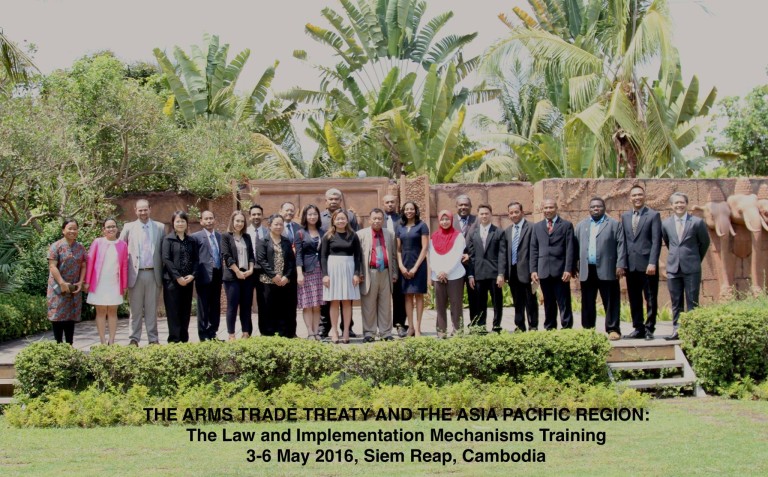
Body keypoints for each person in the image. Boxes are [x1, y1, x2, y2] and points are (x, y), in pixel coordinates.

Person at [574, 197, 626, 340]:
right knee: (587, 302)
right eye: (593, 207)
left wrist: (620, 265)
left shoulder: (614, 224)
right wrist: (574, 266)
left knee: (611, 300)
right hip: (587, 269)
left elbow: (621, 245)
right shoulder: (581, 226)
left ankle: (613, 329)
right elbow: (575, 247)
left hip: (607, 268)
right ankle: (588, 330)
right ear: (589, 209)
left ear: (604, 208)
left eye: (599, 206)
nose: (596, 209)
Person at [662, 192, 710, 340]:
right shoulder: (666, 223)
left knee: (692, 301)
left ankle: (692, 332)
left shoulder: (696, 222)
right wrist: (677, 257)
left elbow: (704, 243)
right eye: (676, 203)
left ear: (686, 204)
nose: (679, 205)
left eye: (682, 202)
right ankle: (677, 330)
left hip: (691, 268)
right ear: (671, 206)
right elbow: (669, 243)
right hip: (673, 268)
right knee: (676, 302)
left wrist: (694, 259)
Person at [120, 199, 164, 346]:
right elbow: (120, 249)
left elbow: (164, 251)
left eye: (145, 209)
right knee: (135, 309)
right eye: (140, 210)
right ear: (135, 210)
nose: (143, 212)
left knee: (152, 308)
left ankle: (153, 339)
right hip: (135, 274)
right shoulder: (128, 227)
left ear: (150, 209)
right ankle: (134, 338)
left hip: (153, 273)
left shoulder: (159, 227)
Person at [621, 185, 662, 340]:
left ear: (644, 196)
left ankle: (649, 328)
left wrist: (652, 262)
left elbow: (656, 241)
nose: (637, 197)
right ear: (630, 198)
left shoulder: (653, 215)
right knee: (634, 298)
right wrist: (622, 264)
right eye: (634, 195)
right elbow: (624, 241)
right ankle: (638, 328)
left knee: (650, 298)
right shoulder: (625, 216)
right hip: (631, 265)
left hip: (647, 265)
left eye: (640, 194)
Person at [319, 188, 359, 338]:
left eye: (336, 199)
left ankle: (347, 330)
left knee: (347, 301)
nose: (333, 201)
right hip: (333, 267)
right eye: (331, 199)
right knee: (333, 301)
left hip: (348, 267)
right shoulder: (324, 228)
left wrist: (357, 273)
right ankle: (331, 330)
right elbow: (323, 255)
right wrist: (325, 274)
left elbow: (358, 254)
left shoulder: (352, 227)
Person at [530, 198, 575, 330]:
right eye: (546, 208)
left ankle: (566, 328)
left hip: (561, 271)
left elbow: (570, 249)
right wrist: (533, 270)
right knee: (548, 302)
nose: (548, 210)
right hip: (544, 270)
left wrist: (568, 269)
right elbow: (534, 249)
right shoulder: (537, 227)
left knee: (563, 301)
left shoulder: (566, 225)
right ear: (542, 209)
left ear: (556, 208)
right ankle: (550, 327)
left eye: (551, 207)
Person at [85, 218, 128, 345]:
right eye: (108, 227)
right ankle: (103, 341)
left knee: (113, 311)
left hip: (115, 283)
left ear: (117, 228)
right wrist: (87, 281)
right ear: (103, 230)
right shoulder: (97, 242)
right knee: (101, 311)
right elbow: (90, 262)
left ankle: (112, 340)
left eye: (113, 226)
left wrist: (124, 284)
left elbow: (124, 266)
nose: (111, 229)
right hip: (99, 283)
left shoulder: (122, 245)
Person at [357, 208, 397, 342]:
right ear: (369, 220)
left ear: (383, 220)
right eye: (374, 218)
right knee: (368, 304)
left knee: (386, 304)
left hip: (385, 272)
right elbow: (358, 257)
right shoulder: (361, 234)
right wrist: (359, 272)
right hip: (369, 273)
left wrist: (394, 272)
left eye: (380, 218)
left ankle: (386, 333)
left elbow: (393, 255)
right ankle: (369, 332)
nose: (377, 221)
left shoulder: (390, 234)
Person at [46, 219, 87, 345]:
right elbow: (52, 266)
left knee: (71, 316)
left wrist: (80, 282)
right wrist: (62, 283)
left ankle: (69, 345)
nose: (72, 231)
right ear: (63, 230)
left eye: (75, 229)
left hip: (74, 287)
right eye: (70, 228)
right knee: (58, 316)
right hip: (58, 287)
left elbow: (83, 265)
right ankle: (58, 346)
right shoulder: (56, 246)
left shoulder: (80, 247)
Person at [257, 214, 298, 337]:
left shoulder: (286, 241)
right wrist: (273, 275)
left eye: (281, 224)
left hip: (284, 281)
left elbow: (291, 261)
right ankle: (267, 334)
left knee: (284, 308)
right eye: (276, 224)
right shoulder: (263, 241)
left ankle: (284, 334)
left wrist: (287, 276)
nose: (279, 226)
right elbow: (261, 260)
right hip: (268, 281)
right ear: (269, 225)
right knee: (267, 308)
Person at [467, 204, 507, 332]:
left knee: (497, 301)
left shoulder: (499, 232)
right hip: (478, 273)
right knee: (480, 301)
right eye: (482, 214)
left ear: (491, 214)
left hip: (494, 273)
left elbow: (502, 254)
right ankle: (481, 326)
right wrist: (471, 275)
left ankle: (496, 326)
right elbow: (471, 256)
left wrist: (501, 274)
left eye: (486, 213)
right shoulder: (473, 233)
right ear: (478, 215)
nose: (484, 216)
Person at [161, 210, 198, 343]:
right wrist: (178, 277)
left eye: (183, 221)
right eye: (178, 221)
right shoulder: (168, 239)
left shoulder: (191, 240)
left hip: (188, 281)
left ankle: (184, 339)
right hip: (172, 282)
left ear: (187, 223)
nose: (180, 224)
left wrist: (192, 275)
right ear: (173, 223)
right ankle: (174, 340)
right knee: (173, 311)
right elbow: (166, 259)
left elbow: (196, 260)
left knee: (185, 310)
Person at [429, 210, 466, 338]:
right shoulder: (434, 237)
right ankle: (441, 331)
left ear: (451, 220)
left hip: (455, 275)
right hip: (438, 276)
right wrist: (438, 271)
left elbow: (458, 256)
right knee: (440, 305)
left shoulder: (458, 236)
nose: (444, 222)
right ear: (439, 221)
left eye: (447, 219)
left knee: (456, 304)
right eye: (442, 220)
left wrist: (446, 271)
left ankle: (457, 331)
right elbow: (431, 257)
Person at [504, 202, 539, 332]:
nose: (514, 215)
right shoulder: (507, 231)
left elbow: (535, 250)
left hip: (528, 271)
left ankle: (533, 326)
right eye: (511, 213)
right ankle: (519, 326)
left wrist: (534, 270)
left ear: (522, 212)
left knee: (531, 300)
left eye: (516, 212)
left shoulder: (532, 227)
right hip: (513, 272)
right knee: (517, 301)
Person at [221, 210, 255, 340]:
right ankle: (231, 334)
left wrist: (250, 270)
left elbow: (251, 255)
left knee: (246, 306)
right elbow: (227, 256)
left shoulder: (247, 237)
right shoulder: (226, 236)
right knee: (232, 306)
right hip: (232, 276)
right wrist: (237, 272)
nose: (239, 223)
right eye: (237, 221)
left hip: (247, 275)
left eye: (242, 221)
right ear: (232, 221)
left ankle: (245, 333)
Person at [396, 201, 429, 337]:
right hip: (404, 265)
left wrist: (415, 267)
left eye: (411, 209)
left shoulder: (422, 226)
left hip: (419, 266)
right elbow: (398, 250)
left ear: (416, 211)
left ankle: (418, 328)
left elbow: (425, 248)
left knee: (419, 295)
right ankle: (410, 327)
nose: (409, 211)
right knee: (408, 296)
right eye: (406, 209)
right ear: (403, 211)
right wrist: (401, 266)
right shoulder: (400, 227)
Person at [295, 204, 325, 340]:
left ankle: (316, 331)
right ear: (305, 216)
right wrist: (299, 273)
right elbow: (298, 255)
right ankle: (310, 332)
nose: (312, 217)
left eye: (315, 214)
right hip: (307, 271)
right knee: (307, 304)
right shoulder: (300, 233)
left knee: (317, 304)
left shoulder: (323, 232)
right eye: (310, 214)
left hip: (321, 271)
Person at [192, 210, 223, 341]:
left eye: (211, 218)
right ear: (201, 221)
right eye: (206, 219)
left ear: (214, 219)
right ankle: (203, 335)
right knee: (203, 307)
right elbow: (193, 258)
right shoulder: (196, 237)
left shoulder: (220, 236)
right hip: (203, 275)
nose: (209, 221)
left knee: (215, 306)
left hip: (217, 274)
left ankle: (213, 333)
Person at [383, 194, 407, 337]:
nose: (390, 204)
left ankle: (400, 324)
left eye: (392, 202)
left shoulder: (402, 219)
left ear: (396, 203)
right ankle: (383, 327)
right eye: (387, 202)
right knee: (382, 296)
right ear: (383, 203)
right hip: (382, 262)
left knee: (399, 295)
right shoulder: (378, 218)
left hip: (399, 261)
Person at [454, 195, 480, 324]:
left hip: (473, 265)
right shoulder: (450, 221)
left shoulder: (478, 221)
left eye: (466, 205)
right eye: (461, 205)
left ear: (471, 207)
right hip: (455, 266)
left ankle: (474, 325)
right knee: (455, 298)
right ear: (456, 206)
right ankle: (457, 326)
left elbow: (482, 242)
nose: (463, 207)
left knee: (474, 297)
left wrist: (470, 256)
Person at [247, 203, 268, 336]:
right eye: (254, 214)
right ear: (249, 216)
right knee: (246, 302)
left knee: (264, 301)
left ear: (262, 216)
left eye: (259, 214)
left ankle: (264, 331)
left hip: (264, 271)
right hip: (248, 271)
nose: (256, 216)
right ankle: (247, 331)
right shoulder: (244, 232)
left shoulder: (267, 232)